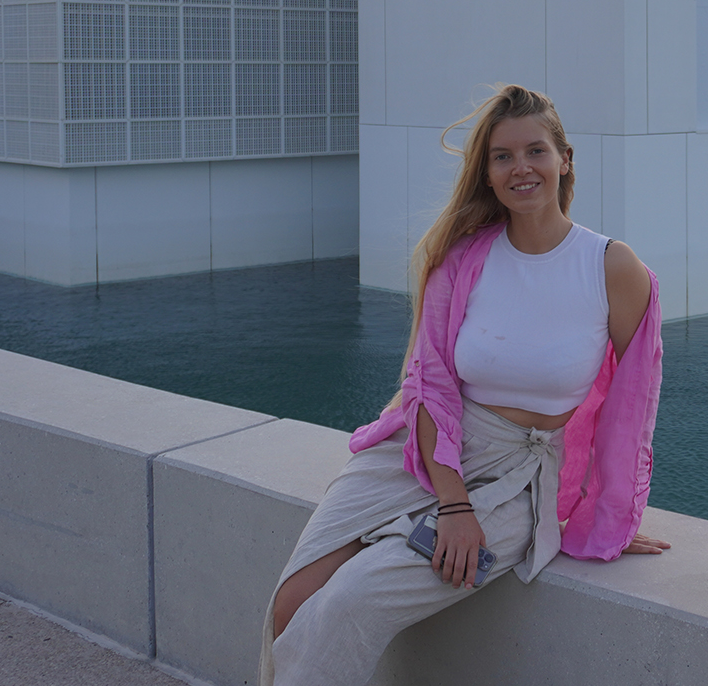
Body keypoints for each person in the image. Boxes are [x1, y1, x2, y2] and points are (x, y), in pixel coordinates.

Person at [260, 85, 669, 686]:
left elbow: (631, 410)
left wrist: (610, 516)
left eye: (535, 151)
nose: (520, 167)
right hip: (424, 446)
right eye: (502, 156)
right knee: (290, 603)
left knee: (352, 601)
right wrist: (451, 502)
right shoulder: (462, 256)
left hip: (521, 478)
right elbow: (429, 383)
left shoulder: (613, 267)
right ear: (487, 172)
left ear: (565, 159)